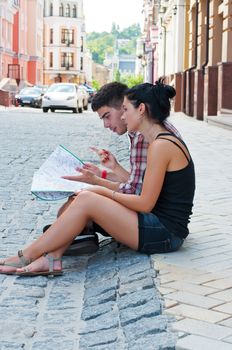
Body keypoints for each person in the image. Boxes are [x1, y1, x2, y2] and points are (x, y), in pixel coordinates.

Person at [0, 79, 195, 275]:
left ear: (141, 109)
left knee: (86, 199)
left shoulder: (160, 145)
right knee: (85, 198)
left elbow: (144, 203)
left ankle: (27, 255)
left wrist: (100, 188)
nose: (124, 116)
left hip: (166, 234)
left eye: (126, 109)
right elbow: (144, 187)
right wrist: (105, 178)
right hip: (157, 224)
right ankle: (50, 258)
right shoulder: (159, 141)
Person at [50, 82, 181, 255]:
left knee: (81, 200)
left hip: (159, 224)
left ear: (126, 107)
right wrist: (108, 171)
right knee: (76, 203)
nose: (106, 125)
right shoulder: (146, 131)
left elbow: (137, 194)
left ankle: (61, 244)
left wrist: (97, 184)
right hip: (157, 216)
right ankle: (69, 239)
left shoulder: (146, 136)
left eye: (107, 116)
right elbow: (139, 182)